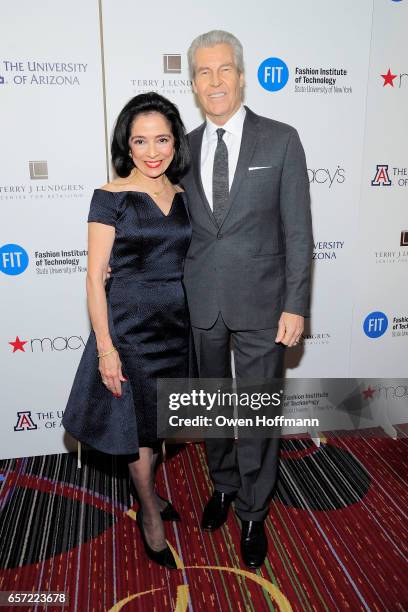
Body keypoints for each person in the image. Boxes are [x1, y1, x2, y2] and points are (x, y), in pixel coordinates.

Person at [182, 30, 313, 568]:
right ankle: (223, 484)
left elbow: (299, 232)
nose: (215, 82)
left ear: (241, 74)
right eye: (203, 73)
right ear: (193, 83)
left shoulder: (281, 139)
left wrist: (297, 303)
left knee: (257, 413)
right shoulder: (180, 148)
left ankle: (255, 512)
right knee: (210, 406)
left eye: (223, 70)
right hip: (201, 302)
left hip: (265, 303)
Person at [62, 92, 192, 570]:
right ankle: (149, 514)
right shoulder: (110, 196)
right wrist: (106, 350)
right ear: (127, 144)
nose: (152, 151)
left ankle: (150, 491)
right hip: (130, 328)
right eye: (141, 140)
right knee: (137, 429)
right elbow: (95, 277)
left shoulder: (184, 196)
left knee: (161, 427)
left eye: (162, 139)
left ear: (176, 142)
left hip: (176, 327)